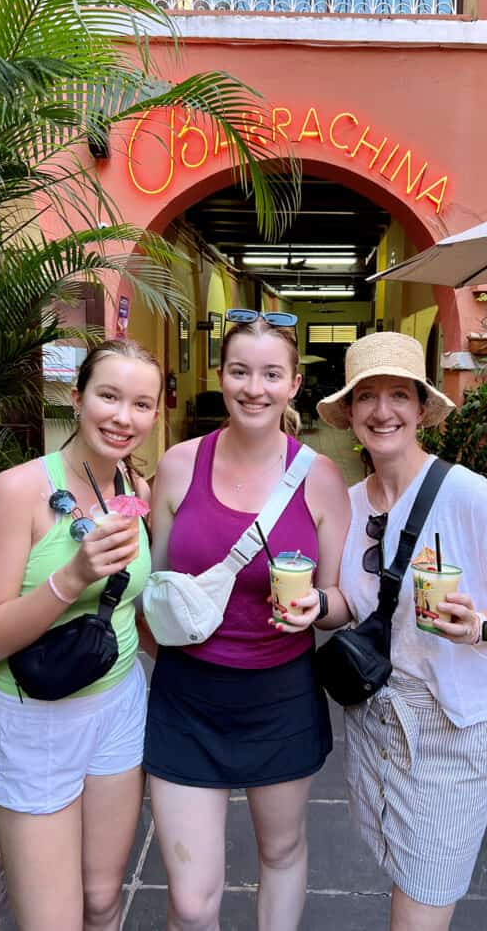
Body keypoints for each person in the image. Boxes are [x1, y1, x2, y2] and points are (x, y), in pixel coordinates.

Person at [316, 331, 487, 931]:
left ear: (421, 409)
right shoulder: (348, 502)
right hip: (375, 717)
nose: (382, 411)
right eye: (367, 396)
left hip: (448, 721)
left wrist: (479, 627)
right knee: (400, 866)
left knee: (427, 889)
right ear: (350, 413)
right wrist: (312, 607)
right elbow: (350, 603)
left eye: (398, 395)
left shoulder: (471, 496)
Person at [144, 309, 351, 931]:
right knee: (189, 901)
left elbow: (340, 599)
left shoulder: (322, 478)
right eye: (239, 371)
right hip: (187, 697)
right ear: (222, 376)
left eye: (270, 374)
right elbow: (154, 588)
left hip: (280, 695)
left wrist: (319, 607)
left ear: (292, 385)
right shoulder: (179, 466)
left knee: (281, 852)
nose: (253, 388)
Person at [0, 339, 162, 931]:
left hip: (119, 710)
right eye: (108, 396)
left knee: (103, 902)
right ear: (76, 398)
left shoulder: (134, 491)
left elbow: (133, 609)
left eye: (142, 404)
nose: (123, 417)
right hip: (37, 722)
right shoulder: (17, 492)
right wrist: (73, 574)